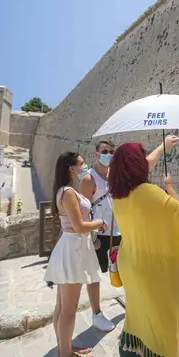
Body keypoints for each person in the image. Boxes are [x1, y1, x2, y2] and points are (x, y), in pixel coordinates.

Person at [109, 140, 179, 357]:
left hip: (130, 262)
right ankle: (163, 356)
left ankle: (130, 350)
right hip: (153, 268)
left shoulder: (118, 195)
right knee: (162, 316)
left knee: (138, 310)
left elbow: (146, 163)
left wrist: (162, 147)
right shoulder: (150, 193)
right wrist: (170, 188)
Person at [44, 152, 108, 357]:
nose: (85, 165)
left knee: (62, 306)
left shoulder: (64, 191)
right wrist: (99, 223)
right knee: (68, 310)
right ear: (71, 168)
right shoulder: (69, 193)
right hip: (74, 249)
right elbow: (79, 226)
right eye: (81, 163)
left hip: (71, 247)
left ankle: (65, 349)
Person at [78, 140, 118, 332]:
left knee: (124, 267)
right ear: (96, 154)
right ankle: (96, 313)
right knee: (94, 274)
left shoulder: (113, 175)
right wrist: (92, 238)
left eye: (111, 151)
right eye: (105, 151)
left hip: (116, 230)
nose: (108, 154)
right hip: (98, 233)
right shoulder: (89, 179)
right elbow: (83, 211)